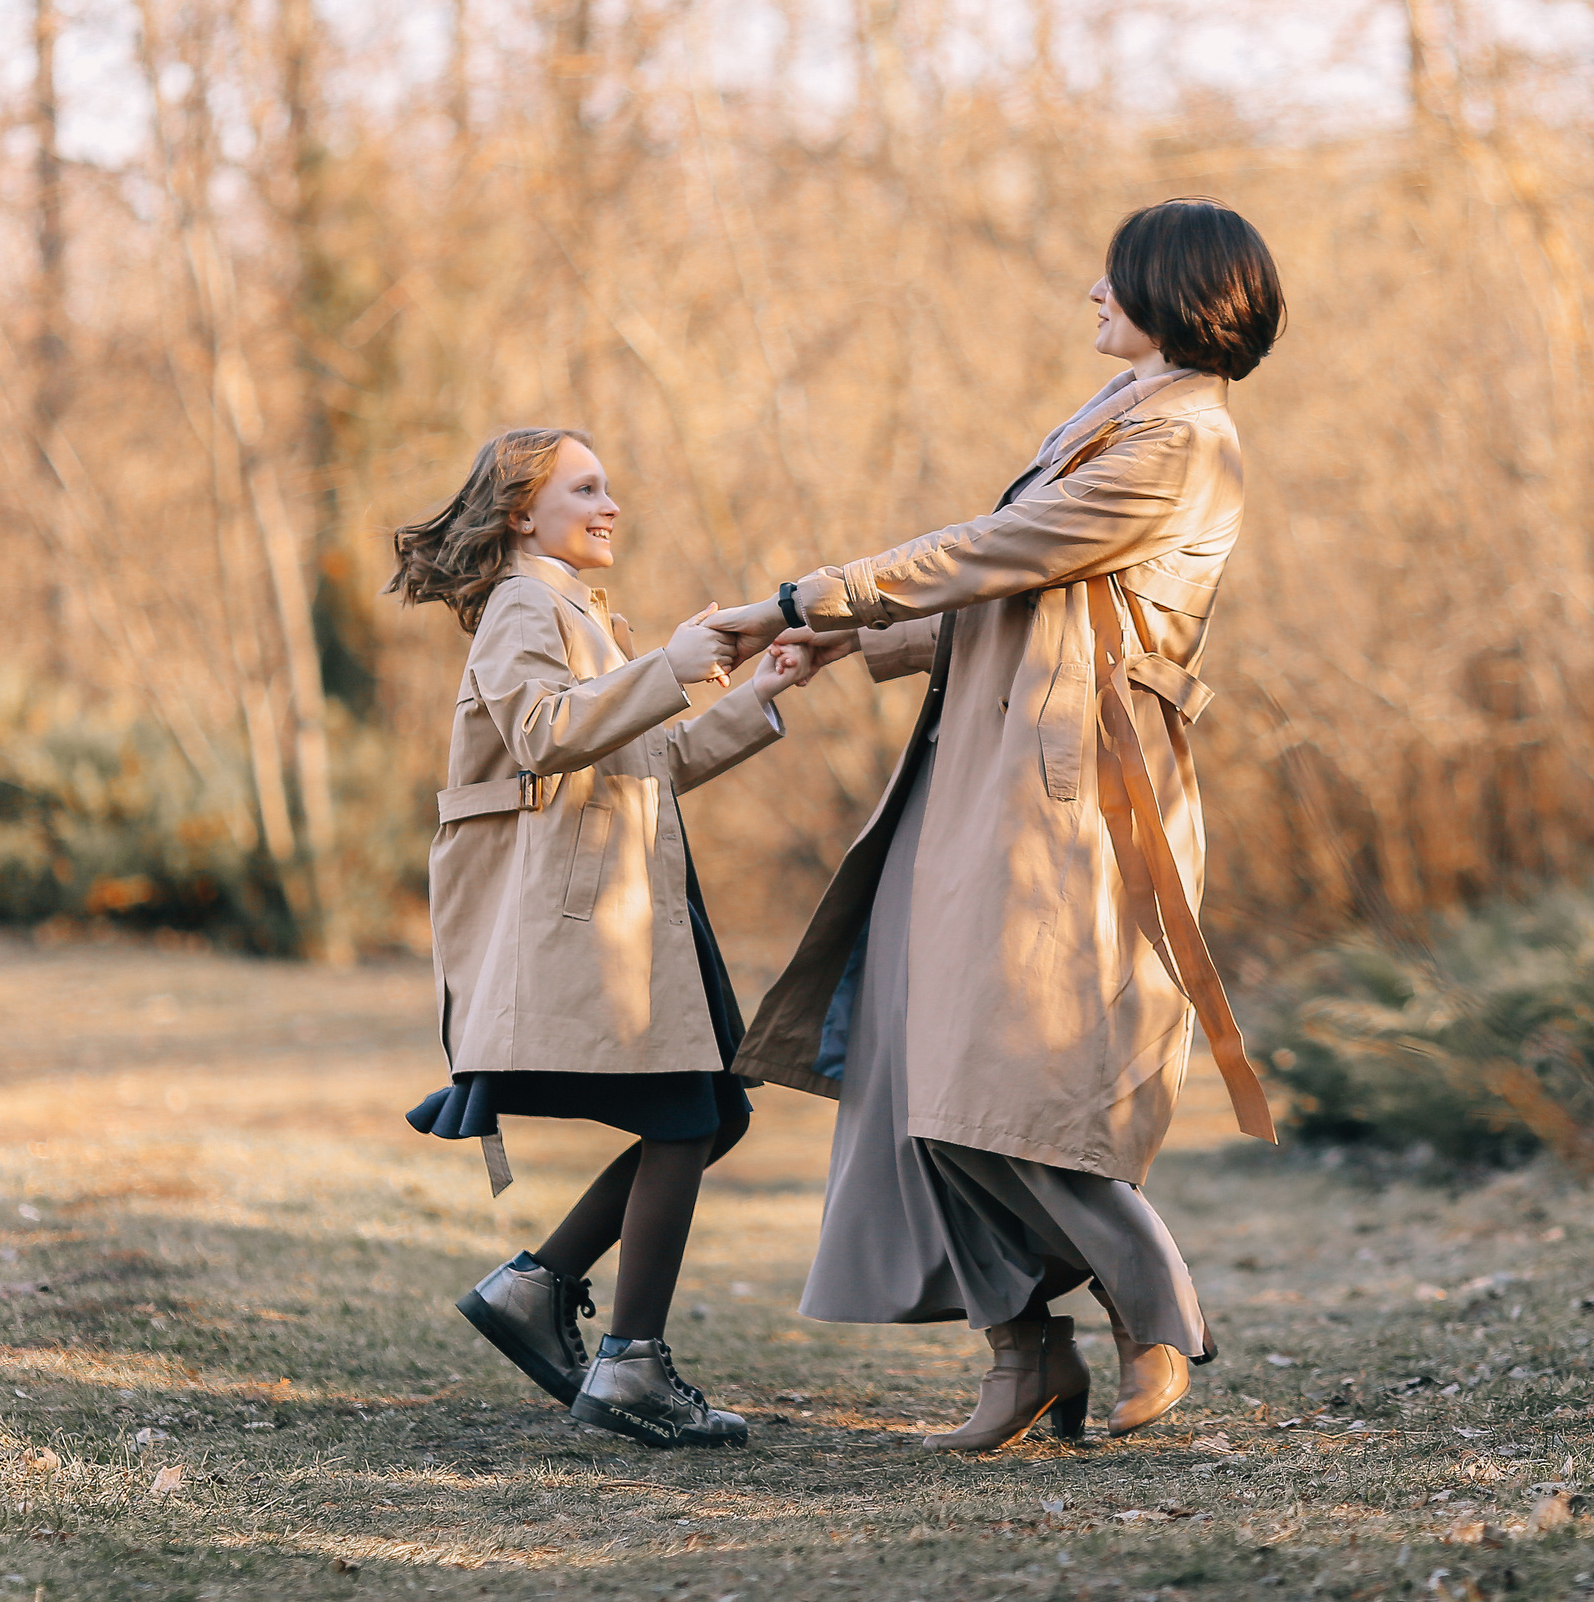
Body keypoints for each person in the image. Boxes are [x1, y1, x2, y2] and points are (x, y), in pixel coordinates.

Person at [706, 199, 1286, 1452]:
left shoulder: (1185, 443)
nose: (1093, 291)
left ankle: (1150, 1314)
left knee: (1003, 1080)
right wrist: (850, 638)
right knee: (918, 1069)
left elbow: (1003, 549)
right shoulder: (1116, 415)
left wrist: (809, 598)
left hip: (1073, 795)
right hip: (982, 776)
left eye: (1114, 275)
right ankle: (1023, 1357)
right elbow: (1025, 596)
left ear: (1177, 294)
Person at [387, 426, 823, 1449]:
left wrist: (757, 693)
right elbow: (543, 732)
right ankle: (625, 1361)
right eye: (584, 489)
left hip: (635, 912)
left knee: (709, 1112)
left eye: (607, 487)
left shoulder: (577, 612)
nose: (609, 504)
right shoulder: (521, 604)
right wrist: (668, 662)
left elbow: (650, 762)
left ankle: (538, 1290)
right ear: (520, 514)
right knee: (692, 1114)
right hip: (586, 920)